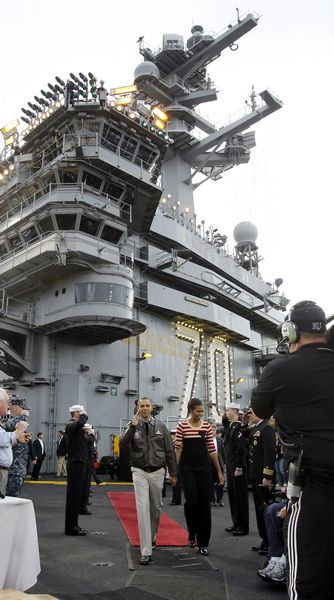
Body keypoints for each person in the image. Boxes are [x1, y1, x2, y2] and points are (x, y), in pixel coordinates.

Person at [251, 300, 334, 600]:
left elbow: (259, 408)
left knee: (306, 584)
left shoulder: (280, 369)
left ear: (290, 332)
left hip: (314, 489)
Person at [120, 397, 177, 565]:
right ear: (137, 408)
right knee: (142, 508)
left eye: (147, 406)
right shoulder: (132, 426)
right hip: (139, 471)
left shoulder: (161, 427)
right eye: (141, 406)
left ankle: (152, 536)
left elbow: (169, 451)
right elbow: (123, 445)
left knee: (155, 508)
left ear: (151, 408)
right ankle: (146, 551)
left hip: (157, 471)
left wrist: (173, 473)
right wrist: (132, 426)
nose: (144, 408)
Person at [174, 399, 224, 555]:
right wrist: (174, 471)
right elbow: (178, 449)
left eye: (202, 411)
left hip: (204, 469)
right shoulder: (182, 426)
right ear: (190, 410)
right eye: (198, 411)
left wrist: (220, 472)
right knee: (192, 502)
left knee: (204, 504)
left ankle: (203, 542)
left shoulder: (207, 427)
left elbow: (212, 451)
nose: (200, 414)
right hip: (187, 468)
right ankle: (192, 532)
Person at [247, 408, 276, 555]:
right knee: (259, 509)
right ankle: (264, 539)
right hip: (255, 475)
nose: (249, 415)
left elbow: (270, 453)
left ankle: (271, 542)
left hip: (263, 477)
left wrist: (267, 475)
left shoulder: (266, 428)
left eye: (251, 413)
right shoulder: (257, 428)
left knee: (266, 509)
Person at [223, 402, 249, 536]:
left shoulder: (238, 428)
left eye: (228, 410)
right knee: (233, 496)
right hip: (231, 465)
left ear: (234, 411)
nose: (226, 413)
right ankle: (236, 523)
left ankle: (243, 526)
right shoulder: (230, 427)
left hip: (237, 467)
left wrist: (239, 466)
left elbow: (240, 449)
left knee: (240, 497)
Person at [0, 389, 31, 498]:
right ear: (17, 408)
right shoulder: (10, 421)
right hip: (13, 469)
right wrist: (22, 417)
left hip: (18, 467)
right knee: (9, 500)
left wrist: (19, 439)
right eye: (7, 403)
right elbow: (5, 434)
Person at [64, 404, 89, 536]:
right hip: (75, 463)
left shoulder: (76, 426)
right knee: (73, 497)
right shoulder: (71, 424)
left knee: (76, 496)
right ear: (76, 413)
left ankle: (74, 525)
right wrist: (84, 416)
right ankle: (70, 527)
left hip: (79, 462)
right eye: (80, 412)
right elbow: (79, 424)